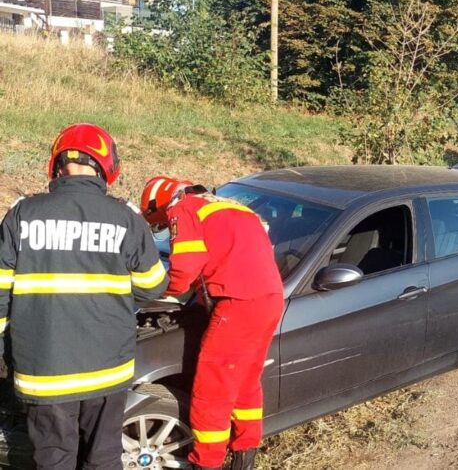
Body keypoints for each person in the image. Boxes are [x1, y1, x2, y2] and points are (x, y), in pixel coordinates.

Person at [0, 123, 168, 470]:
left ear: (57, 164)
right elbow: (154, 285)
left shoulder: (22, 214)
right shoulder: (126, 219)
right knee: (103, 457)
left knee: (52, 459)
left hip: (43, 371)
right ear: (107, 166)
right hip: (107, 370)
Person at [140, 176, 284, 470]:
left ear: (160, 203)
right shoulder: (233, 207)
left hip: (236, 303)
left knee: (211, 391)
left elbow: (183, 271)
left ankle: (207, 463)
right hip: (269, 299)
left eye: (160, 222)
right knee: (245, 383)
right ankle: (244, 457)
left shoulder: (184, 208)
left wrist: (152, 291)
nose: (165, 227)